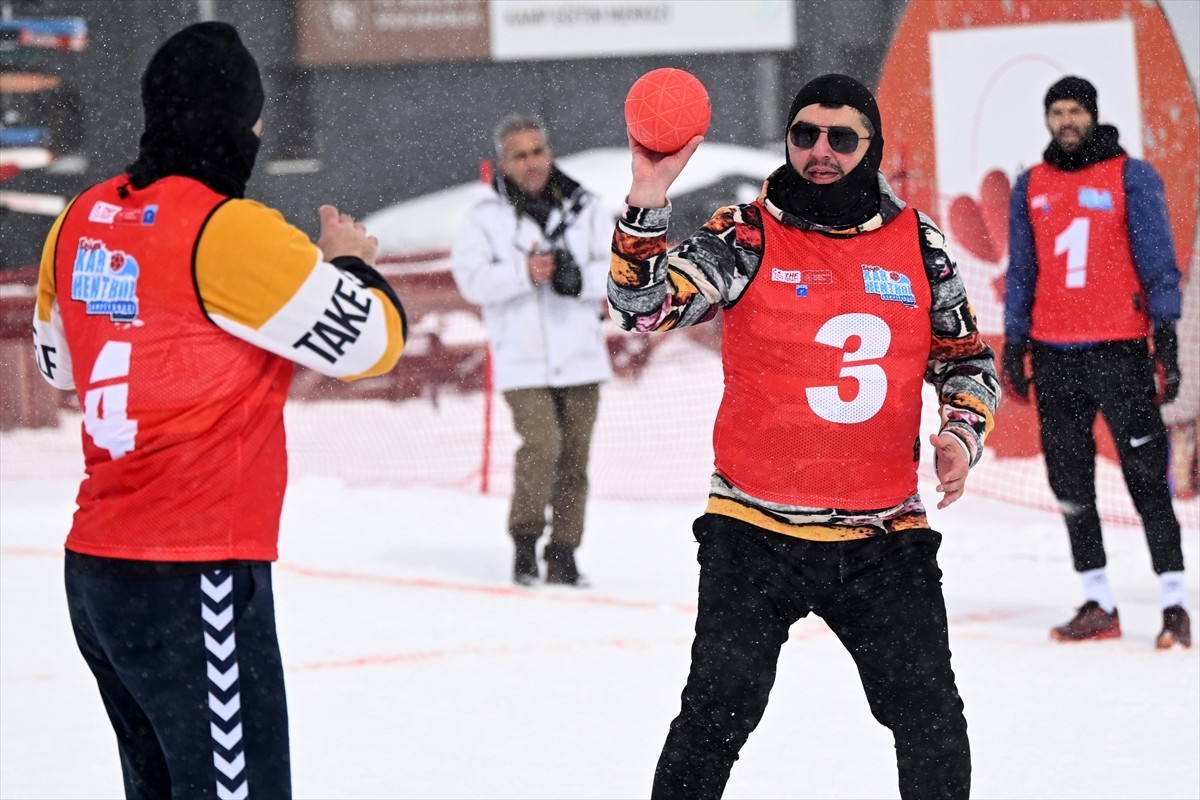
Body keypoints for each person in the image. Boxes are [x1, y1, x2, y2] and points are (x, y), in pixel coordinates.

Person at [32, 23, 406, 799]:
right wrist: (349, 263)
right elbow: (371, 344)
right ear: (239, 120)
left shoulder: (78, 219)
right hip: (194, 569)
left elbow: (58, 365)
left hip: (99, 571)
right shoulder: (225, 229)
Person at [608, 73, 998, 799]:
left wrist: (961, 430)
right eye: (804, 134)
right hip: (754, 530)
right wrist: (647, 196)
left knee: (931, 719)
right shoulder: (745, 233)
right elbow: (643, 309)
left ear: (871, 146)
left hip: (883, 534)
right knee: (716, 715)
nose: (821, 151)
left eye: (841, 138)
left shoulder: (918, 242)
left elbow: (966, 359)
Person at [1003, 76, 1190, 649]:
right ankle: (1098, 601)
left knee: (1145, 477)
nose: (1066, 121)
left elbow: (1157, 257)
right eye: (1057, 111)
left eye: (1075, 111)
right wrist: (1014, 341)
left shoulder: (1131, 175)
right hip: (1053, 353)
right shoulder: (1030, 184)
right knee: (1069, 479)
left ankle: (1175, 603)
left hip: (1120, 349)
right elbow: (1023, 269)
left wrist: (1166, 336)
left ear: (1093, 114)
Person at [451, 113, 612, 587]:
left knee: (575, 459)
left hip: (581, 354)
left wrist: (577, 278)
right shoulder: (484, 216)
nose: (532, 162)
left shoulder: (586, 206)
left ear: (549, 152)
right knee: (542, 447)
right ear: (504, 163)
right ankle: (525, 544)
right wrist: (525, 273)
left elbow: (618, 269)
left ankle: (564, 553)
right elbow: (471, 280)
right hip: (521, 358)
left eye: (537, 151)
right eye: (520, 155)